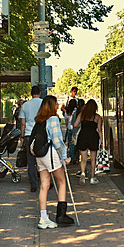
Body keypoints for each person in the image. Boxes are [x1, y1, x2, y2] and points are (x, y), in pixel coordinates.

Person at [33, 95, 74, 229]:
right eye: (56, 104)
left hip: (40, 155)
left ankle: (43, 218)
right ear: (52, 106)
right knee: (62, 181)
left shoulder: (39, 120)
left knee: (44, 185)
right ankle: (61, 215)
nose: (57, 106)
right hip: (50, 154)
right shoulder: (53, 119)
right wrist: (64, 156)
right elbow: (57, 140)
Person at [73, 99, 103, 185]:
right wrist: (101, 141)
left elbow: (75, 125)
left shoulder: (82, 115)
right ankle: (93, 177)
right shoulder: (97, 117)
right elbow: (100, 130)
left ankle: (82, 173)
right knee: (93, 158)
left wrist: (82, 125)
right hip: (93, 137)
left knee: (83, 158)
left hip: (83, 136)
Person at [20, 86, 43, 192]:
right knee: (42, 158)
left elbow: (23, 123)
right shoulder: (43, 103)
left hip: (29, 134)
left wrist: (22, 136)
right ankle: (44, 181)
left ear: (31, 94)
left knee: (31, 160)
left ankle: (33, 184)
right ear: (40, 93)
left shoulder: (25, 105)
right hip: (40, 134)